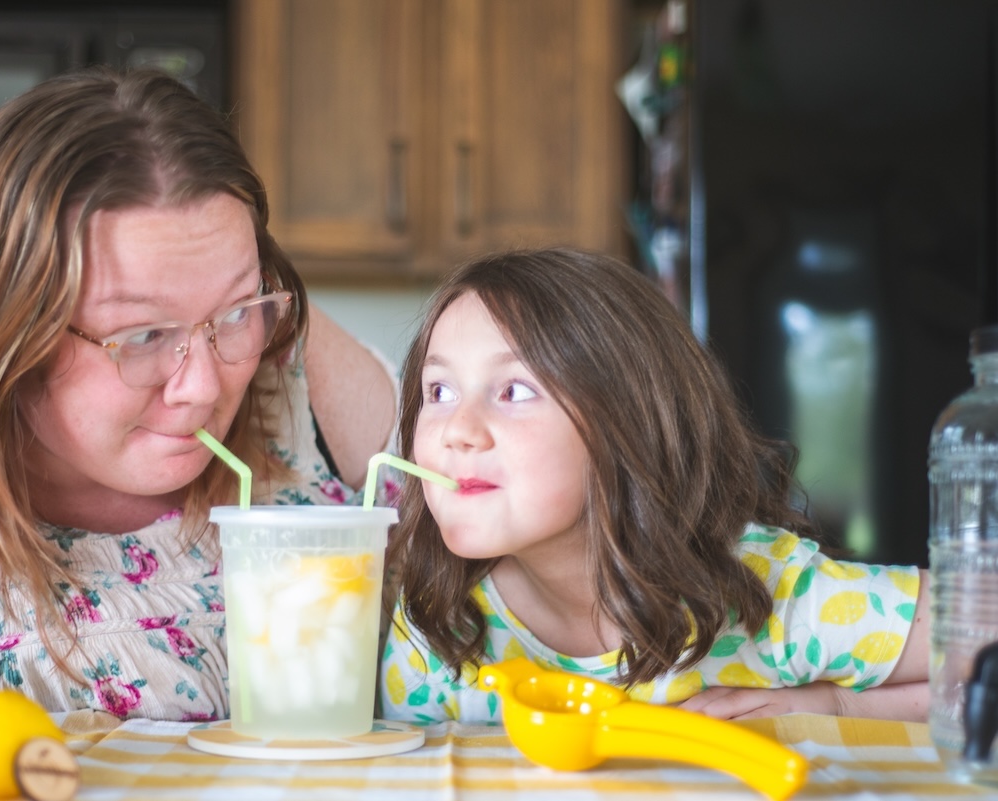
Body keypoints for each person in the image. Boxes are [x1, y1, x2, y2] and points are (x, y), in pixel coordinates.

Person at [0, 66, 400, 720]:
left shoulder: (293, 368)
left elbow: (493, 597)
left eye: (234, 311)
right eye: (143, 334)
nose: (202, 388)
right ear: (1, 326)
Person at [380, 247, 929, 724]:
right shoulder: (438, 625)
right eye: (439, 391)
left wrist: (843, 706)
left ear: (629, 423)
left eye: (516, 391)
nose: (457, 431)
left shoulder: (773, 598)